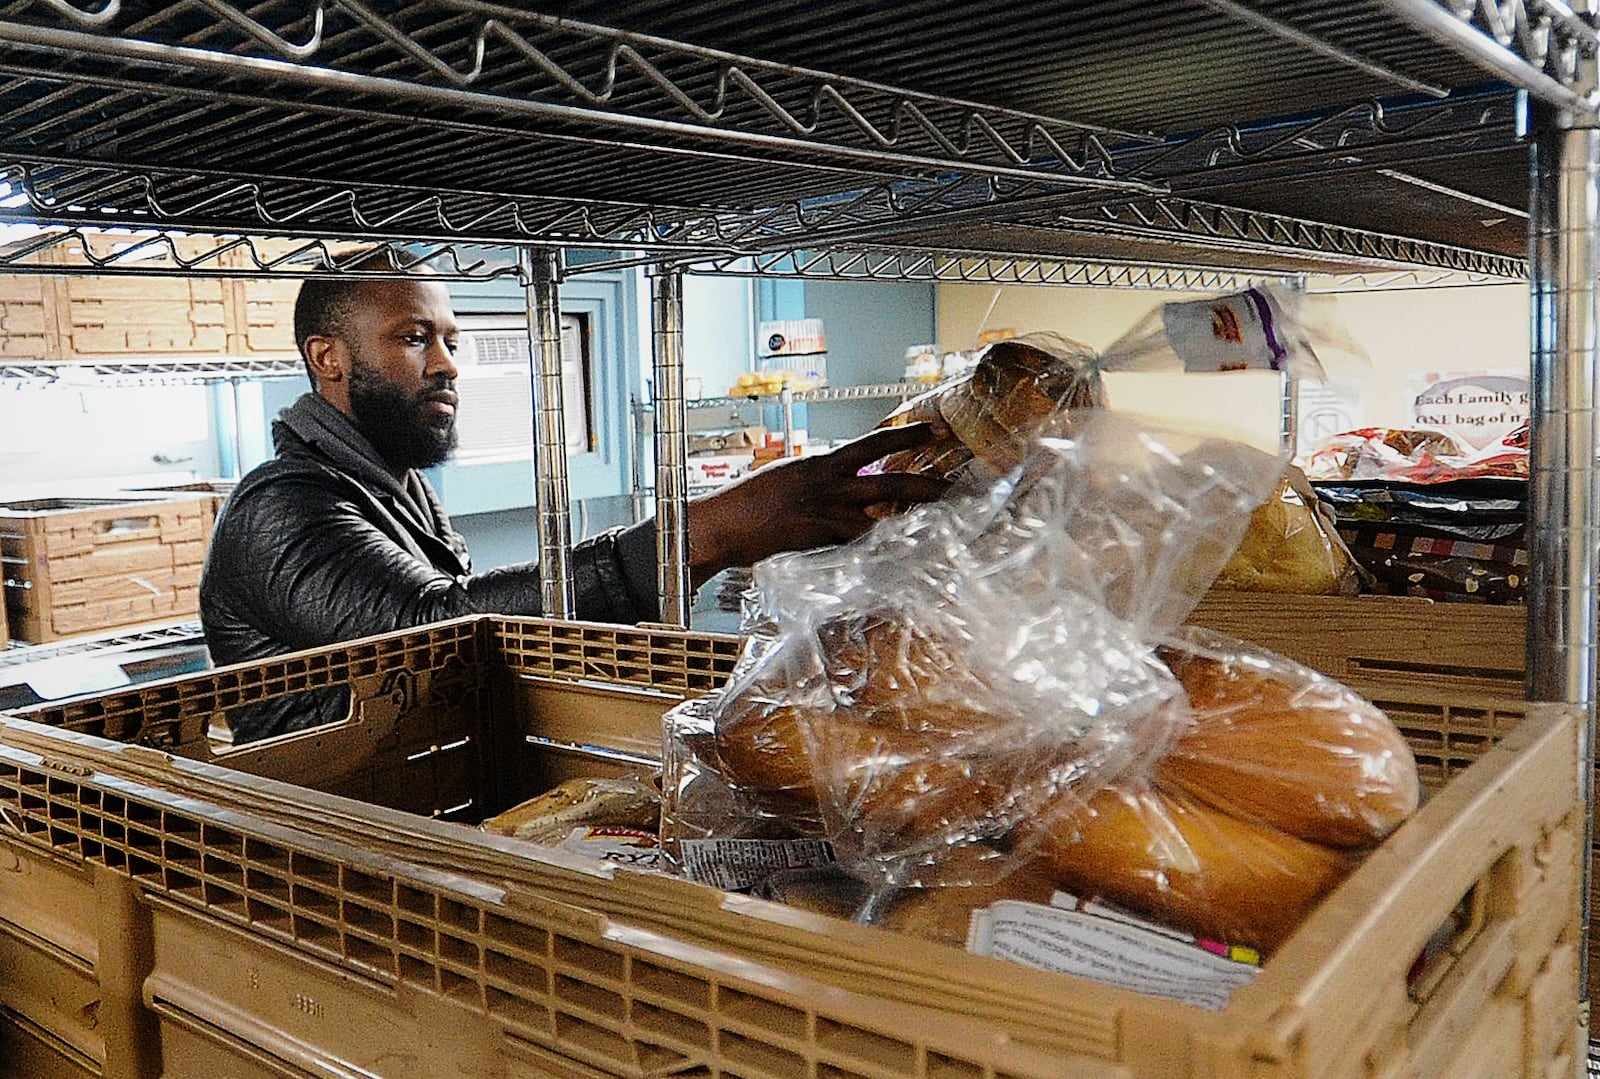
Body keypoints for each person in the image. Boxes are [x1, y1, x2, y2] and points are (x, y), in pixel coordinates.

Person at [199, 276, 946, 741]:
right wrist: (701, 533)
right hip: (324, 829)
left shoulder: (393, 486)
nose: (448, 362)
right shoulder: (282, 508)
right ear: (327, 357)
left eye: (451, 340)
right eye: (414, 338)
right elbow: (423, 632)